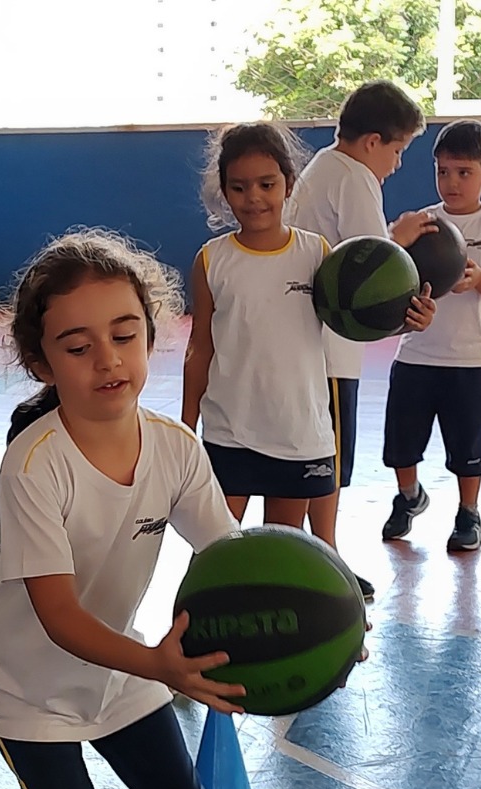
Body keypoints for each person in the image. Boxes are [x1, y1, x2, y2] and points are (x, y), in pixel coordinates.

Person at [0, 228, 339, 789]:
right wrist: (164, 669)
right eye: (78, 343)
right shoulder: (35, 467)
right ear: (41, 361)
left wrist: (329, 609)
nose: (108, 359)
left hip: (121, 663)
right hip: (26, 681)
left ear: (153, 332)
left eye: (125, 334)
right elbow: (58, 617)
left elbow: (233, 557)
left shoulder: (171, 446)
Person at [182, 120, 436, 550]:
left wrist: (407, 319)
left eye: (267, 183)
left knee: (283, 552)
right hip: (228, 432)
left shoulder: (317, 254)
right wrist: (187, 429)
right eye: (239, 187)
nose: (254, 198)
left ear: (289, 183)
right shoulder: (212, 261)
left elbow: (354, 321)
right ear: (224, 191)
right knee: (215, 551)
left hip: (296, 433)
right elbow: (199, 349)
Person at [288, 80, 436, 600]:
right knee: (326, 458)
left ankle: (314, 553)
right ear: (372, 141)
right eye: (397, 150)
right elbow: (372, 265)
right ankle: (326, 558)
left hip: (312, 344)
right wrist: (405, 259)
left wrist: (395, 235)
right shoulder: (353, 177)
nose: (396, 164)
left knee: (314, 456)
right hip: (330, 347)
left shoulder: (323, 168)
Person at [380, 119, 481, 552]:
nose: (452, 182)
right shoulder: (422, 224)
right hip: (417, 354)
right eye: (443, 172)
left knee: (468, 448)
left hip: (471, 361)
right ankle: (409, 496)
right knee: (401, 444)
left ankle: (468, 513)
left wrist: (478, 277)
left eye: (464, 173)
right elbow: (391, 269)